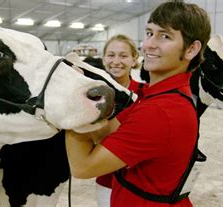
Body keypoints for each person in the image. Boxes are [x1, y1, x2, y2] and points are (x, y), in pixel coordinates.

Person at [65, 1, 211, 206]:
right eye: (150, 33)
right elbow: (116, 135)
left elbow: (83, 167)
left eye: (165, 36)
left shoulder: (160, 111)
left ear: (191, 49)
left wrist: (73, 102)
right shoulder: (164, 96)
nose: (149, 44)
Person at [95, 34, 147, 207]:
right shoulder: (93, 94)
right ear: (103, 59)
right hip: (107, 182)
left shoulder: (147, 93)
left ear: (134, 59)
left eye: (123, 56)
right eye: (111, 55)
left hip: (140, 183)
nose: (116, 61)